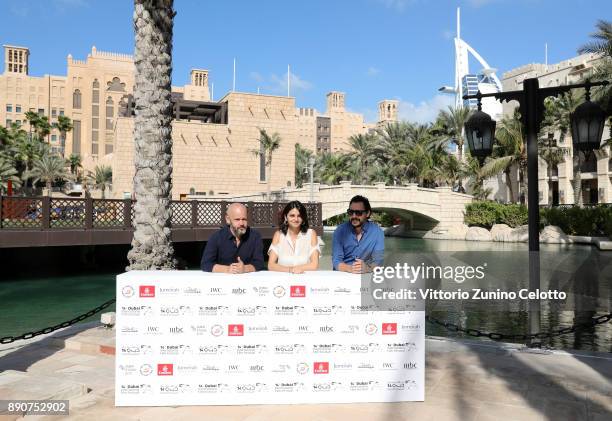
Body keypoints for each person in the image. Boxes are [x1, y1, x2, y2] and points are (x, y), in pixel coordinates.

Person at [200, 202, 264, 273]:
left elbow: (259, 263)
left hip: (247, 281)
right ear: (228, 219)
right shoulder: (216, 237)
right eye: (237, 219)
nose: (241, 223)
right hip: (223, 281)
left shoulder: (255, 236)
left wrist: (245, 268)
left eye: (244, 219)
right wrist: (227, 269)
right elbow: (206, 264)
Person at [332, 195, 384, 273]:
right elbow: (336, 261)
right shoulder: (340, 231)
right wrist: (350, 268)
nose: (354, 216)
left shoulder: (377, 232)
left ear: (367, 213)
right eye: (351, 212)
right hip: (343, 275)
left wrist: (367, 268)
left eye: (358, 213)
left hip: (365, 277)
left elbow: (378, 263)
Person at [268, 200, 323, 273]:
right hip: (283, 280)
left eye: (299, 216)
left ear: (303, 218)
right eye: (292, 215)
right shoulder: (278, 235)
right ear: (285, 217)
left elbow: (314, 265)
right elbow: (271, 265)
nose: (296, 219)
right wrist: (291, 270)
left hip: (305, 279)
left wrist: (291, 269)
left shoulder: (311, 234)